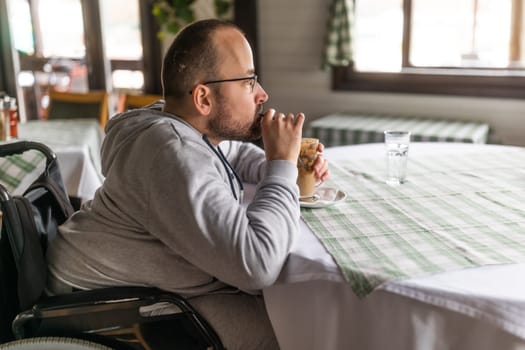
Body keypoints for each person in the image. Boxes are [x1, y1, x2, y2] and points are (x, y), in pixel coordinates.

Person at [46, 19, 329, 349]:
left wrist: (283, 165)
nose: (263, 94)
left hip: (161, 287)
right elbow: (258, 263)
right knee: (302, 332)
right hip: (101, 308)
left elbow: (231, 153)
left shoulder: (179, 126)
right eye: (249, 81)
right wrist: (280, 167)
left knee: (301, 314)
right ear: (203, 99)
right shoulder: (172, 153)